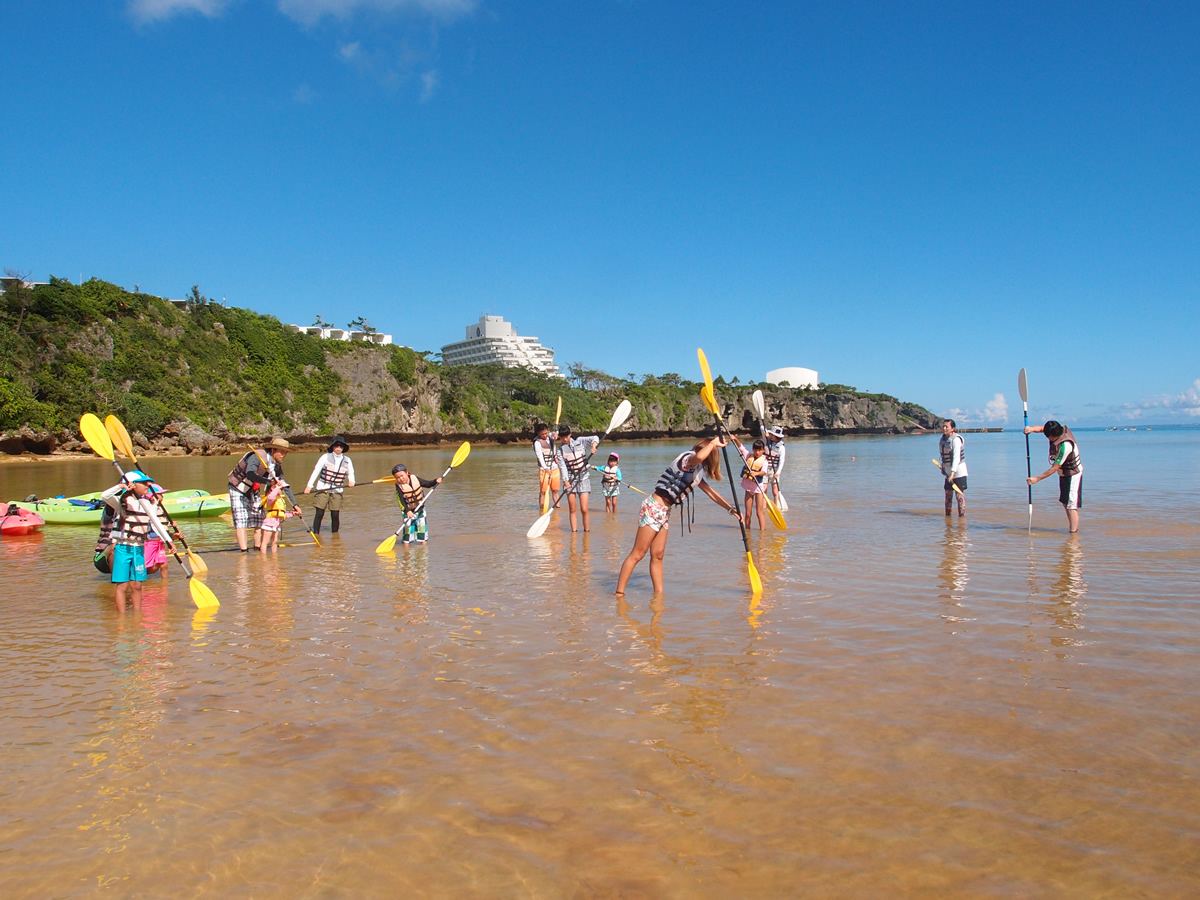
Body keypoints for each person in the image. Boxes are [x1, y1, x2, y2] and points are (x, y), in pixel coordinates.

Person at [615, 436, 741, 596]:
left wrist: (731, 510)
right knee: (638, 553)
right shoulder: (688, 459)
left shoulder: (697, 471)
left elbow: (711, 492)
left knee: (658, 555)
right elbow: (700, 456)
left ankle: (658, 596)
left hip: (664, 512)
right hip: (653, 507)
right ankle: (619, 594)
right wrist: (713, 443)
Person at [101, 471, 174, 613]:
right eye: (144, 482)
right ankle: (121, 619)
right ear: (133, 485)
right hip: (123, 548)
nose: (148, 484)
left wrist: (169, 541)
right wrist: (121, 486)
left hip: (139, 549)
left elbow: (156, 524)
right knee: (122, 586)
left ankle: (137, 617)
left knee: (137, 586)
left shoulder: (146, 503)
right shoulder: (121, 503)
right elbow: (105, 496)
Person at [227, 437, 301, 551]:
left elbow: (284, 485)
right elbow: (250, 474)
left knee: (259, 519)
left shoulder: (276, 466)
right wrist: (268, 482)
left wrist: (295, 505)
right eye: (281, 452)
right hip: (237, 488)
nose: (283, 455)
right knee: (241, 520)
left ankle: (257, 549)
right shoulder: (256, 457)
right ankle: (244, 551)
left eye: (285, 452)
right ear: (273, 450)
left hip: (253, 489)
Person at [1025, 420, 1083, 533]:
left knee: (1071, 505)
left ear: (1055, 435)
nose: (1048, 439)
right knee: (1065, 502)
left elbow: (1054, 468)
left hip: (1073, 474)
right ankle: (1072, 530)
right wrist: (1031, 429)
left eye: (1049, 437)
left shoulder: (1065, 446)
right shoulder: (1056, 429)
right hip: (1063, 474)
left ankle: (1073, 534)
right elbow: (1042, 428)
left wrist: (1037, 479)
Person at [304, 435, 356, 534]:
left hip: (337, 490)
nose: (338, 448)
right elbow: (316, 471)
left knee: (335, 514)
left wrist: (351, 481)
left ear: (343, 448)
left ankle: (335, 537)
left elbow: (351, 473)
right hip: (323, 488)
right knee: (319, 512)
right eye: (336, 445)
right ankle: (316, 533)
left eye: (341, 446)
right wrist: (309, 486)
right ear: (333, 446)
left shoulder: (347, 460)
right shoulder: (325, 457)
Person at [392, 463, 442, 545]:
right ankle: (406, 549)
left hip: (420, 509)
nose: (400, 478)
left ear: (407, 473)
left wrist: (435, 481)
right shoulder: (398, 486)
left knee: (422, 529)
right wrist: (407, 511)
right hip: (408, 511)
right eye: (397, 477)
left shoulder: (415, 478)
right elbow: (401, 500)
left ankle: (423, 549)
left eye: (402, 475)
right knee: (408, 531)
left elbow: (427, 484)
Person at [733, 436, 769, 530]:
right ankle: (747, 530)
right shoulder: (749, 456)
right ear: (753, 449)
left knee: (759, 512)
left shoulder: (764, 461)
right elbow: (741, 448)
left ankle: (763, 532)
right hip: (748, 488)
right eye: (755, 450)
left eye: (759, 450)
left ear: (763, 451)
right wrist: (735, 439)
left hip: (758, 489)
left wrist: (756, 473)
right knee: (748, 513)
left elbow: (764, 472)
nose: (757, 452)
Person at [939, 418, 968, 517]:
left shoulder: (956, 440)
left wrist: (953, 473)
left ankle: (962, 518)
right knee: (948, 496)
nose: (944, 428)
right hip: (948, 473)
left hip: (959, 473)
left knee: (959, 497)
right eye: (943, 426)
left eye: (946, 426)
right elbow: (943, 457)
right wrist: (943, 468)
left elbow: (956, 458)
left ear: (953, 428)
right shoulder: (942, 439)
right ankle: (948, 518)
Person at [532, 423, 561, 510]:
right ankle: (542, 509)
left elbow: (558, 432)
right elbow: (540, 457)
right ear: (538, 433)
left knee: (555, 490)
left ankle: (558, 508)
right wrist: (546, 468)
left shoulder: (551, 436)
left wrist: (557, 434)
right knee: (543, 491)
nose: (545, 436)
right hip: (544, 469)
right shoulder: (537, 443)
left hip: (554, 467)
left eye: (546, 433)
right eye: (542, 434)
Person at [260, 482, 294, 551]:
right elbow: (271, 497)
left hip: (277, 523)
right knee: (265, 541)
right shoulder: (271, 498)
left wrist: (293, 513)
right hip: (269, 522)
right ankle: (263, 558)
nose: (282, 491)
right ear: (273, 488)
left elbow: (283, 514)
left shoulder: (279, 499)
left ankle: (274, 558)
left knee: (274, 541)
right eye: (281, 489)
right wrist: (277, 489)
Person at [764, 425, 787, 506]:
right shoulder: (767, 440)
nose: (770, 435)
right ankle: (764, 506)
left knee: (775, 491)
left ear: (776, 436)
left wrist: (778, 472)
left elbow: (782, 461)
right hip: (764, 469)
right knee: (764, 490)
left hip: (774, 471)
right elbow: (761, 427)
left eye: (772, 434)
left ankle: (776, 505)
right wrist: (766, 433)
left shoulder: (781, 447)